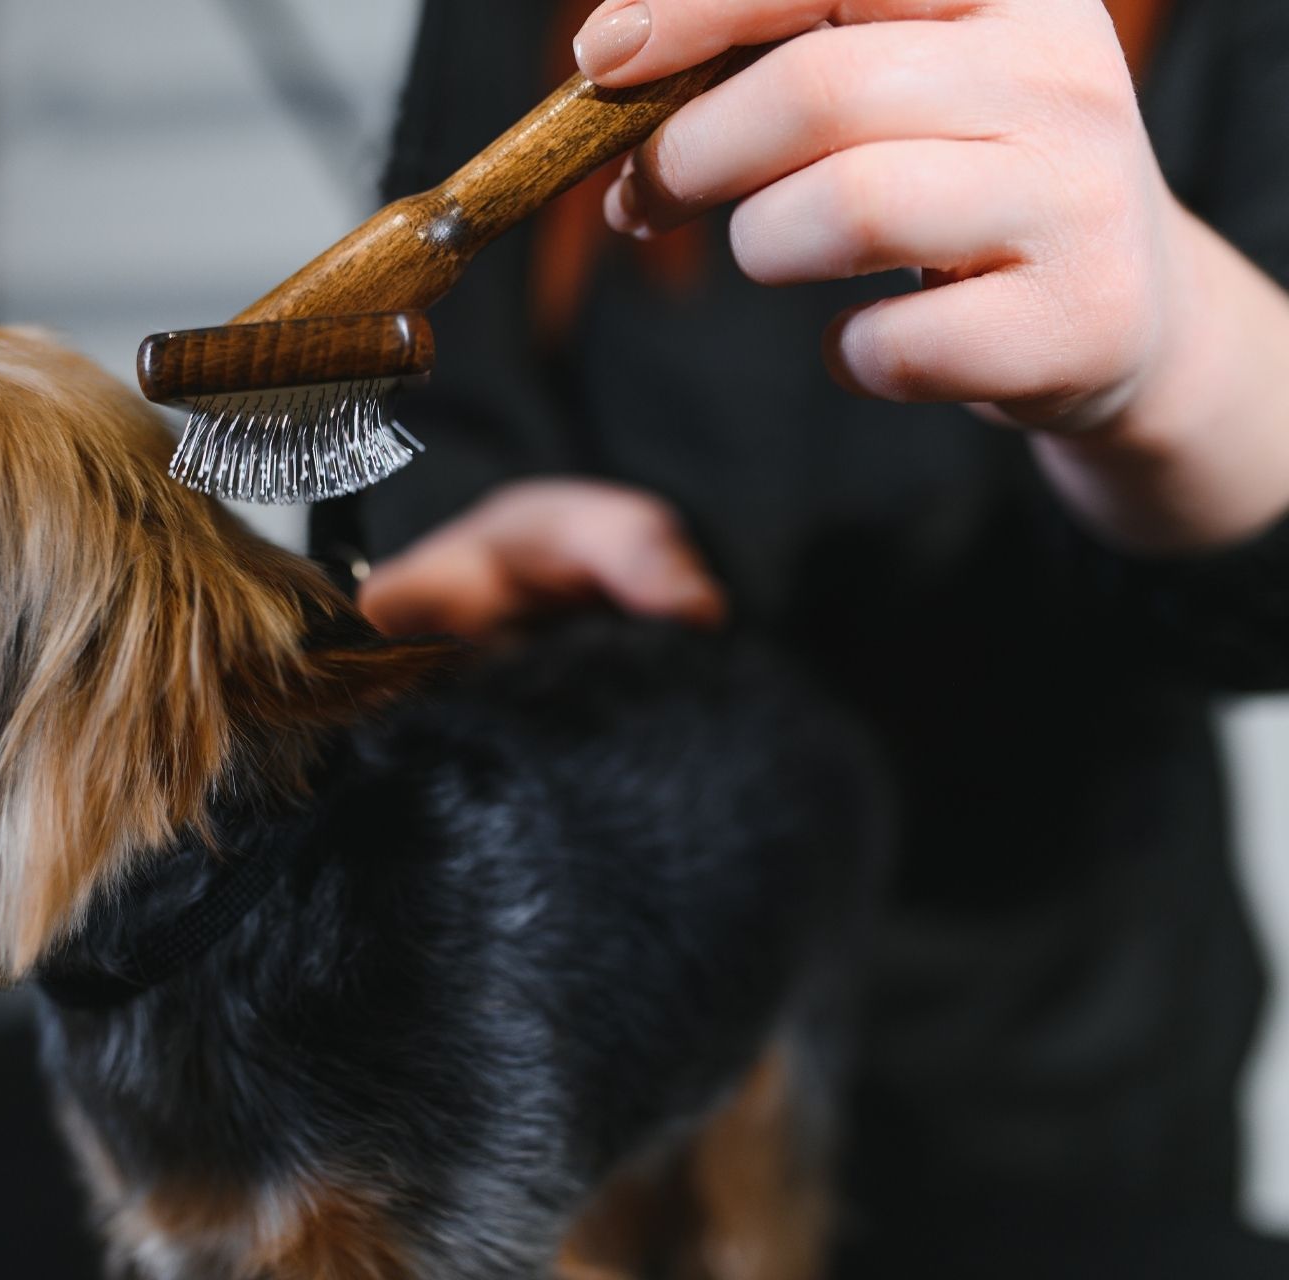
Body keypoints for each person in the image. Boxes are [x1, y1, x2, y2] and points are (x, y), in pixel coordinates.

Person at [321, 0, 1289, 1263]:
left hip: (1055, 1092)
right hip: (606, 1077)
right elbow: (430, 427)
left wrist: (1177, 346)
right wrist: (469, 561)